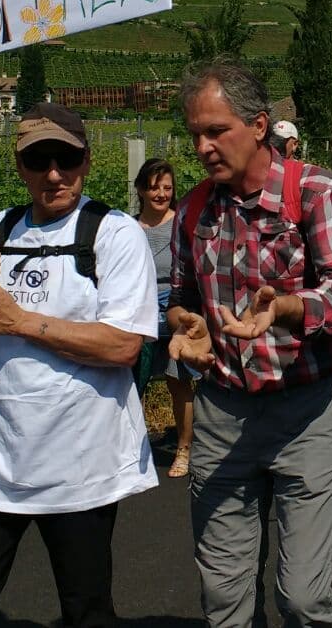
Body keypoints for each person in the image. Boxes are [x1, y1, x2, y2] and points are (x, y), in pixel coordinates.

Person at [0, 103, 158, 627]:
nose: (53, 174)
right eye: (38, 160)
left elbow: (123, 347)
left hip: (82, 462)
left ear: (87, 161)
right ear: (19, 166)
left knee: (86, 610)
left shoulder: (116, 234)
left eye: (66, 159)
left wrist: (20, 320)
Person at [167, 60, 332, 628]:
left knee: (303, 597)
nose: (203, 147)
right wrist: (186, 324)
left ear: (258, 126)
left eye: (215, 131)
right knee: (224, 598)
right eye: (195, 134)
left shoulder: (314, 192)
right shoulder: (194, 208)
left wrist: (284, 307)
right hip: (223, 410)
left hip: (306, 410)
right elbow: (180, 295)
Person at [135, 156, 196, 479]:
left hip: (177, 314)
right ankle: (130, 447)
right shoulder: (129, 229)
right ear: (142, 190)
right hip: (140, 317)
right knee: (132, 384)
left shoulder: (182, 226)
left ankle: (183, 450)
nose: (161, 194)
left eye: (167, 188)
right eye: (154, 187)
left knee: (178, 382)